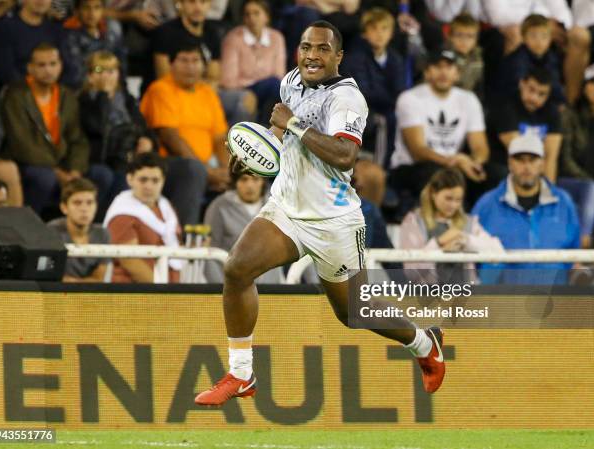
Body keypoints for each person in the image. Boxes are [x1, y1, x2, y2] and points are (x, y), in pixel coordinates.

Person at [194, 21, 446, 407]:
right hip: (286, 205)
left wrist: (290, 123)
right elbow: (279, 134)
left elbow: (346, 155)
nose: (312, 55)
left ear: (338, 56)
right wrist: (253, 152)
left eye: (322, 49)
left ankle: (423, 341)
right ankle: (241, 374)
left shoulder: (347, 99)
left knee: (353, 312)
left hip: (333, 221)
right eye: (305, 46)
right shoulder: (291, 80)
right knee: (237, 268)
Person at [388, 49, 498, 206]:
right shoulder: (410, 98)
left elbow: (480, 147)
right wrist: (454, 161)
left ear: (457, 73)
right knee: (435, 173)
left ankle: (482, 224)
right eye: (437, 67)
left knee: (493, 174)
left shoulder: (469, 99)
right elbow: (418, 150)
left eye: (449, 67)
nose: (443, 72)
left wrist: (474, 163)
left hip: (455, 165)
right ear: (427, 72)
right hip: (412, 167)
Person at [472, 133, 580, 285]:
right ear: (509, 163)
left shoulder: (564, 203)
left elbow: (574, 254)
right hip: (503, 302)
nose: (526, 166)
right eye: (520, 160)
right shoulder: (486, 205)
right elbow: (471, 261)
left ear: (542, 163)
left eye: (532, 160)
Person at [140, 42, 227, 225]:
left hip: (207, 165)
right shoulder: (161, 89)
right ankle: (183, 242)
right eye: (184, 60)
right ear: (171, 65)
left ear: (204, 66)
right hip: (167, 164)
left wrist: (226, 171)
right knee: (193, 171)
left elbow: (220, 138)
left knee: (251, 170)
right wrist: (206, 171)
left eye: (195, 61)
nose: (190, 66)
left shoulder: (207, 92)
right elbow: (169, 136)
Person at [0, 43, 89, 216]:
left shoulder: (67, 96)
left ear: (60, 66)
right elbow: (20, 143)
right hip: (27, 163)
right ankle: (29, 227)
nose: (48, 70)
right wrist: (56, 172)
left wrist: (75, 170)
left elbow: (77, 138)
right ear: (30, 68)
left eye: (53, 64)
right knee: (44, 178)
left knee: (101, 175)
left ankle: (83, 230)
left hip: (62, 165)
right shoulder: (15, 95)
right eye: (41, 65)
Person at [151, 0, 257, 125]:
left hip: (205, 93)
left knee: (246, 99)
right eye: (192, 2)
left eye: (203, 2)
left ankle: (233, 142)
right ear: (180, 4)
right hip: (174, 94)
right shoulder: (165, 32)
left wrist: (205, 91)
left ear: (209, 5)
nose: (198, 7)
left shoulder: (212, 33)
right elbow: (164, 76)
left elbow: (214, 77)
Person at [79, 50, 155, 220]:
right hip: (96, 159)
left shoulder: (126, 100)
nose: (106, 76)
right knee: (105, 176)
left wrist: (146, 140)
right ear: (90, 75)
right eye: (100, 71)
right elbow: (96, 128)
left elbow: (143, 126)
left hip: (125, 158)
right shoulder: (84, 100)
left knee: (126, 177)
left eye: (111, 70)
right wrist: (103, 96)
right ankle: (97, 225)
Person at [400, 168, 503, 283]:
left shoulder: (468, 222)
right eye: (448, 198)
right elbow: (410, 272)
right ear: (433, 193)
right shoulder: (414, 221)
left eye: (458, 200)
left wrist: (466, 239)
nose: (453, 205)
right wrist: (438, 244)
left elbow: (498, 253)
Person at [340, 7, 406, 166]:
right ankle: (382, 168)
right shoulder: (355, 58)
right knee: (383, 120)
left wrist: (391, 99)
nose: (379, 33)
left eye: (384, 29)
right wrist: (390, 98)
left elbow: (400, 91)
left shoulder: (395, 59)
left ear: (391, 33)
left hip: (386, 108)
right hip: (358, 109)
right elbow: (363, 93)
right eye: (374, 29)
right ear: (365, 33)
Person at [104, 152, 182, 283]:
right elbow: (130, 261)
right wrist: (163, 291)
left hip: (167, 291)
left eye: (155, 180)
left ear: (163, 181)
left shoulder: (166, 207)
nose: (149, 186)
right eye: (143, 179)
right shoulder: (122, 213)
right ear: (130, 179)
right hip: (133, 294)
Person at [204, 172, 283, 283]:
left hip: (272, 289)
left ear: (263, 182)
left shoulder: (277, 206)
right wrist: (219, 288)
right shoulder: (218, 206)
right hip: (233, 288)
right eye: (243, 179)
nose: (249, 185)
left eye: (255, 179)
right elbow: (210, 251)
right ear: (235, 182)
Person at [487, 66, 562, 182]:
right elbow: (520, 151)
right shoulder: (506, 107)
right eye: (531, 90)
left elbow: (551, 157)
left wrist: (548, 190)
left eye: (541, 94)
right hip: (504, 168)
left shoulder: (552, 112)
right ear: (522, 84)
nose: (534, 98)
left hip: (536, 170)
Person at [220, 0, 287, 124]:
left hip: (270, 88)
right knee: (275, 85)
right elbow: (228, 80)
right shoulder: (233, 38)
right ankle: (262, 130)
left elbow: (279, 74)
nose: (251, 18)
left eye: (256, 13)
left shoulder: (276, 38)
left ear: (266, 17)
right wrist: (248, 92)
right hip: (243, 89)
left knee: (278, 86)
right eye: (247, 14)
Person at [559, 62, 594, 248]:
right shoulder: (569, 116)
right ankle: (581, 248)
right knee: (592, 189)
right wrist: (591, 181)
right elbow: (565, 160)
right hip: (572, 182)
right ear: (584, 86)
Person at [0, 0, 71, 91]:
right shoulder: (4, 28)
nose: (41, 1)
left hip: (52, 95)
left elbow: (67, 69)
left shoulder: (56, 31)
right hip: (15, 95)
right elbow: (6, 73)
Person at [490, 14, 565, 106]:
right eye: (533, 36)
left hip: (539, 102)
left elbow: (554, 85)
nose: (539, 41)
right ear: (524, 38)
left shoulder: (551, 58)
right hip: (510, 103)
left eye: (544, 36)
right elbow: (516, 90)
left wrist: (560, 102)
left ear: (550, 39)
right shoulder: (516, 60)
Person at [47, 178, 110, 282]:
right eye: (77, 203)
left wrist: (74, 283)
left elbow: (99, 279)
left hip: (89, 296)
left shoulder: (102, 234)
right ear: (64, 207)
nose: (84, 209)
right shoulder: (51, 232)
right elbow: (49, 277)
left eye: (89, 203)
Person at [62, 0, 127, 90]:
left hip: (112, 87)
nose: (92, 13)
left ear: (103, 10)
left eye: (97, 7)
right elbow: (76, 73)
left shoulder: (113, 32)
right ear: (77, 11)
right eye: (86, 8)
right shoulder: (69, 36)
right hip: (82, 90)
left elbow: (121, 65)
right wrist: (102, 74)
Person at [446, 12, 483, 99]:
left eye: (470, 36)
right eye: (459, 35)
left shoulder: (479, 58)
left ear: (476, 39)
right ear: (449, 36)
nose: (464, 41)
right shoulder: (443, 57)